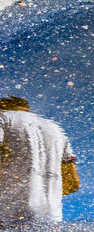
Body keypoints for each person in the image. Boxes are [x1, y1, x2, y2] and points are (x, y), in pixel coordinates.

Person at [0, 96, 79, 224]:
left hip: (8, 217)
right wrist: (41, 194)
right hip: (51, 218)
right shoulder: (56, 130)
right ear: (27, 109)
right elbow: (72, 183)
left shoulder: (3, 119)